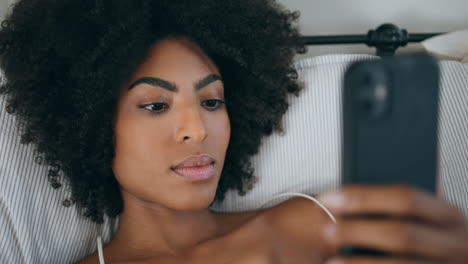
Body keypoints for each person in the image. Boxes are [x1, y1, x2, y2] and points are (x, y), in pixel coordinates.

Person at [1, 1, 467, 263]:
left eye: (211, 100)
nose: (195, 129)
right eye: (155, 105)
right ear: (90, 127)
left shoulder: (318, 223)